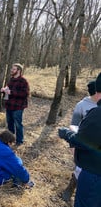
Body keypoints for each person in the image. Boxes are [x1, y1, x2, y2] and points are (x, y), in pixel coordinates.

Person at [58, 72, 101, 207]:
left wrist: (66, 135)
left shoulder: (97, 113)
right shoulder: (82, 105)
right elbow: (74, 123)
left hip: (94, 171)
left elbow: (83, 141)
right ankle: (70, 188)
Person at [0, 63, 29, 146]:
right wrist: (4, 90)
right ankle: (10, 139)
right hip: (9, 105)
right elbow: (8, 89)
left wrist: (11, 92)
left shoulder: (23, 81)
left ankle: (19, 141)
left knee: (18, 124)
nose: (11, 70)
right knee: (10, 123)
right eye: (12, 69)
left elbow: (25, 94)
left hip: (18, 106)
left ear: (18, 71)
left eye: (14, 69)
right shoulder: (11, 79)